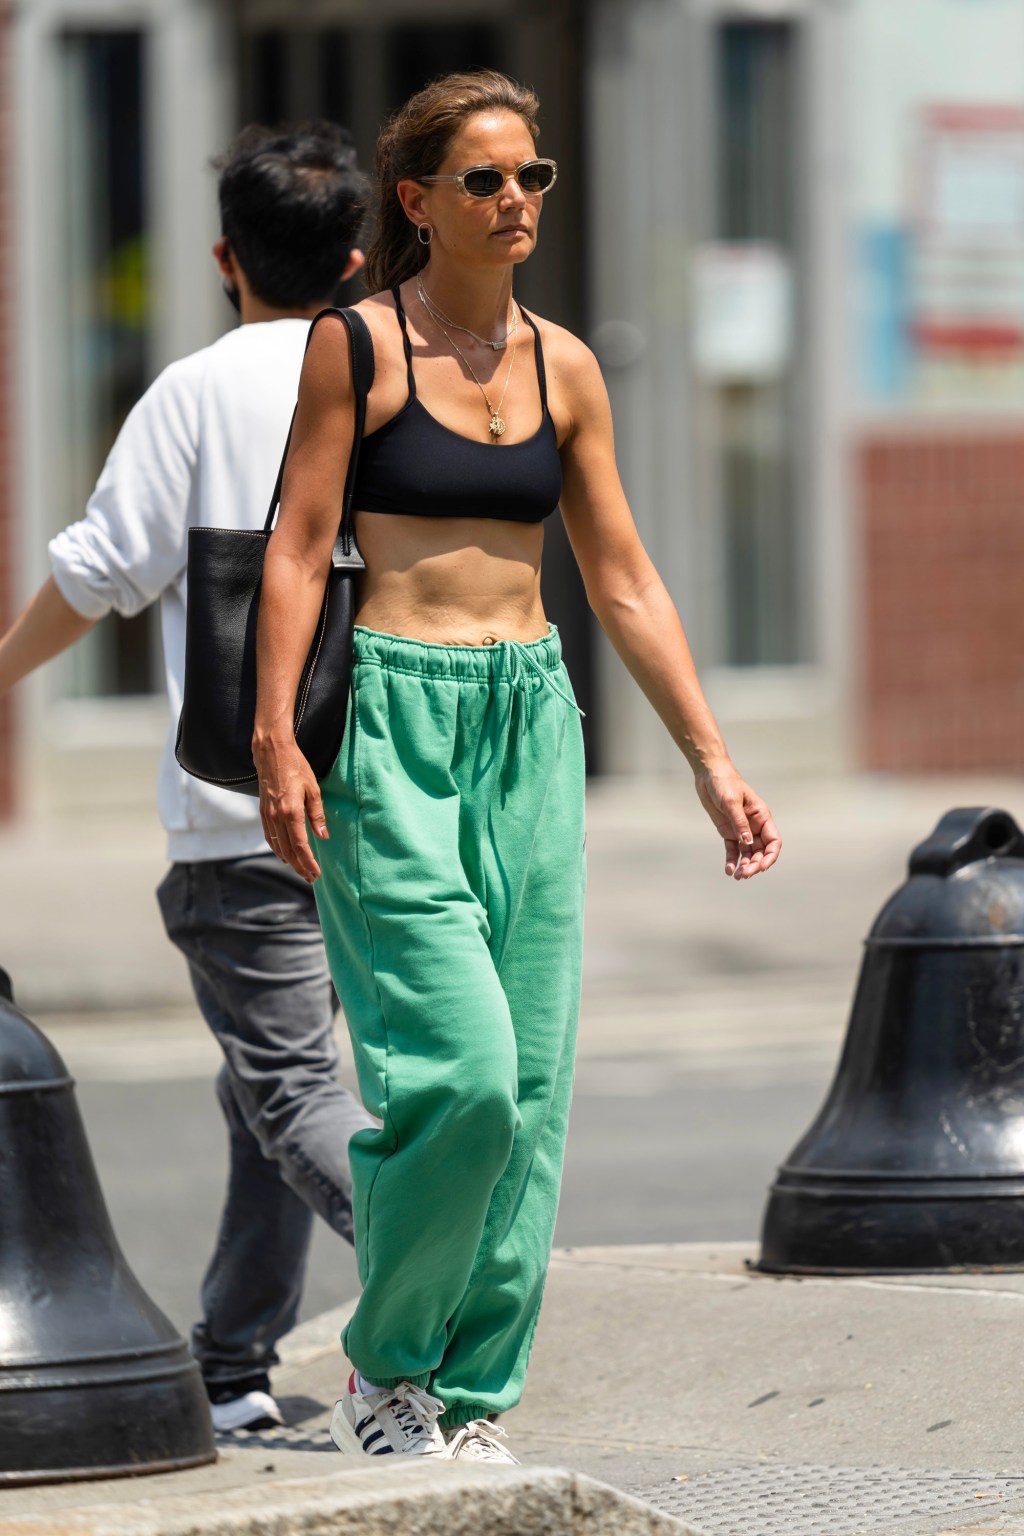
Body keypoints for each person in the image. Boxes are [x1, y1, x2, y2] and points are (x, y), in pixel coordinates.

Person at [253, 70, 782, 1466]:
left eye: (532, 178)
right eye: (484, 180)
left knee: (534, 1094)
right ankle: (386, 1370)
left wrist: (709, 759)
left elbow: (621, 579)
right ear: (417, 201)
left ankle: (468, 1393)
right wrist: (271, 741)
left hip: (532, 720)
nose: (514, 202)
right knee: (464, 1075)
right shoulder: (353, 350)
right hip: (394, 727)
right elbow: (298, 550)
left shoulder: (567, 366)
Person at [0, 121, 375, 1434]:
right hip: (387, 813)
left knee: (288, 1095)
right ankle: (234, 1360)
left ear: (226, 258)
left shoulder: (199, 395)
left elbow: (102, 575)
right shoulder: (397, 383)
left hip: (242, 818)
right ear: (358, 255)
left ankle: (447, 1289)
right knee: (265, 1096)